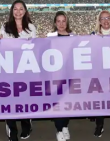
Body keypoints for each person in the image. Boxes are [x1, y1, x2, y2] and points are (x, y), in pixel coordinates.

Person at [0, 0, 36, 141]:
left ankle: (26, 125)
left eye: (21, 9)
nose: (18, 12)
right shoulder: (5, 27)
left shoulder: (31, 27)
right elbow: (0, 47)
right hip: (9, 70)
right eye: (15, 9)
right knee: (9, 100)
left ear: (25, 11)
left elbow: (35, 47)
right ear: (12, 11)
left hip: (25, 70)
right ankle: (12, 129)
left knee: (24, 99)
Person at [92, 10, 110, 138]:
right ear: (99, 21)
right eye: (102, 18)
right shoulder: (92, 36)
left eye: (108, 18)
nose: (105, 21)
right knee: (100, 102)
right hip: (99, 75)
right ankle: (99, 125)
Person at [48, 11, 72, 141]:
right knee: (58, 104)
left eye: (64, 21)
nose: (61, 24)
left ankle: (65, 127)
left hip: (70, 77)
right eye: (59, 21)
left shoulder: (73, 37)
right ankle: (59, 129)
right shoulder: (49, 37)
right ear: (55, 23)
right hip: (55, 77)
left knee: (67, 103)